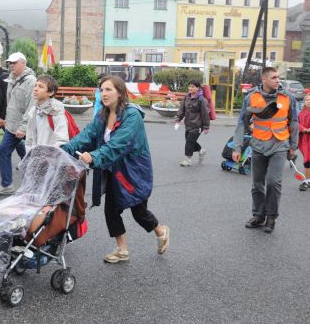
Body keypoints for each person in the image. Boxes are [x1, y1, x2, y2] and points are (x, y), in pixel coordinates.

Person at [61, 75, 169, 263]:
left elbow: (119, 144)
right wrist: (64, 149)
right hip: (113, 169)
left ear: (120, 93)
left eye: (108, 89)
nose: (104, 93)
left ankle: (161, 231)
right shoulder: (102, 115)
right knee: (111, 210)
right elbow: (86, 135)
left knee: (139, 211)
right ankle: (122, 250)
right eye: (101, 90)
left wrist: (94, 156)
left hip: (133, 171)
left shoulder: (132, 116)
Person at [232, 67, 298, 234]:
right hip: (259, 144)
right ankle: (259, 215)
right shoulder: (251, 97)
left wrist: (293, 146)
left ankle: (271, 217)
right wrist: (237, 146)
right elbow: (242, 122)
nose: (278, 80)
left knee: (273, 181)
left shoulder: (287, 97)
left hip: (279, 144)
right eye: (274, 77)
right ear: (264, 80)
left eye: (278, 77)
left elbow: (294, 123)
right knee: (257, 183)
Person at [0, 52, 36, 195]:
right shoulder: (12, 79)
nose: (11, 66)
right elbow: (10, 102)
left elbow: (32, 106)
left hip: (26, 128)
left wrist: (23, 127)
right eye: (10, 63)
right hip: (12, 126)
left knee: (33, 156)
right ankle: (6, 185)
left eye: (14, 63)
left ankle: (34, 186)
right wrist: (4, 118)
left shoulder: (31, 81)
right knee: (3, 150)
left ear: (23, 63)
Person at [25, 75, 69, 151]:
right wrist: (29, 154)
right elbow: (29, 139)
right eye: (35, 85)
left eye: (40, 86)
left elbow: (62, 141)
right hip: (35, 158)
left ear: (51, 92)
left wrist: (48, 157)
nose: (35, 89)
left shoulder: (57, 112)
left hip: (51, 159)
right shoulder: (33, 111)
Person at [174, 80, 210, 167]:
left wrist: (206, 126)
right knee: (189, 140)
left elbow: (205, 114)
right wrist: (178, 118)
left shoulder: (201, 100)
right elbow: (182, 109)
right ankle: (201, 150)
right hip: (188, 124)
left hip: (198, 125)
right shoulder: (187, 97)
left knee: (189, 142)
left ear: (198, 88)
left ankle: (188, 159)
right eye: (189, 86)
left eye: (193, 87)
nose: (190, 88)